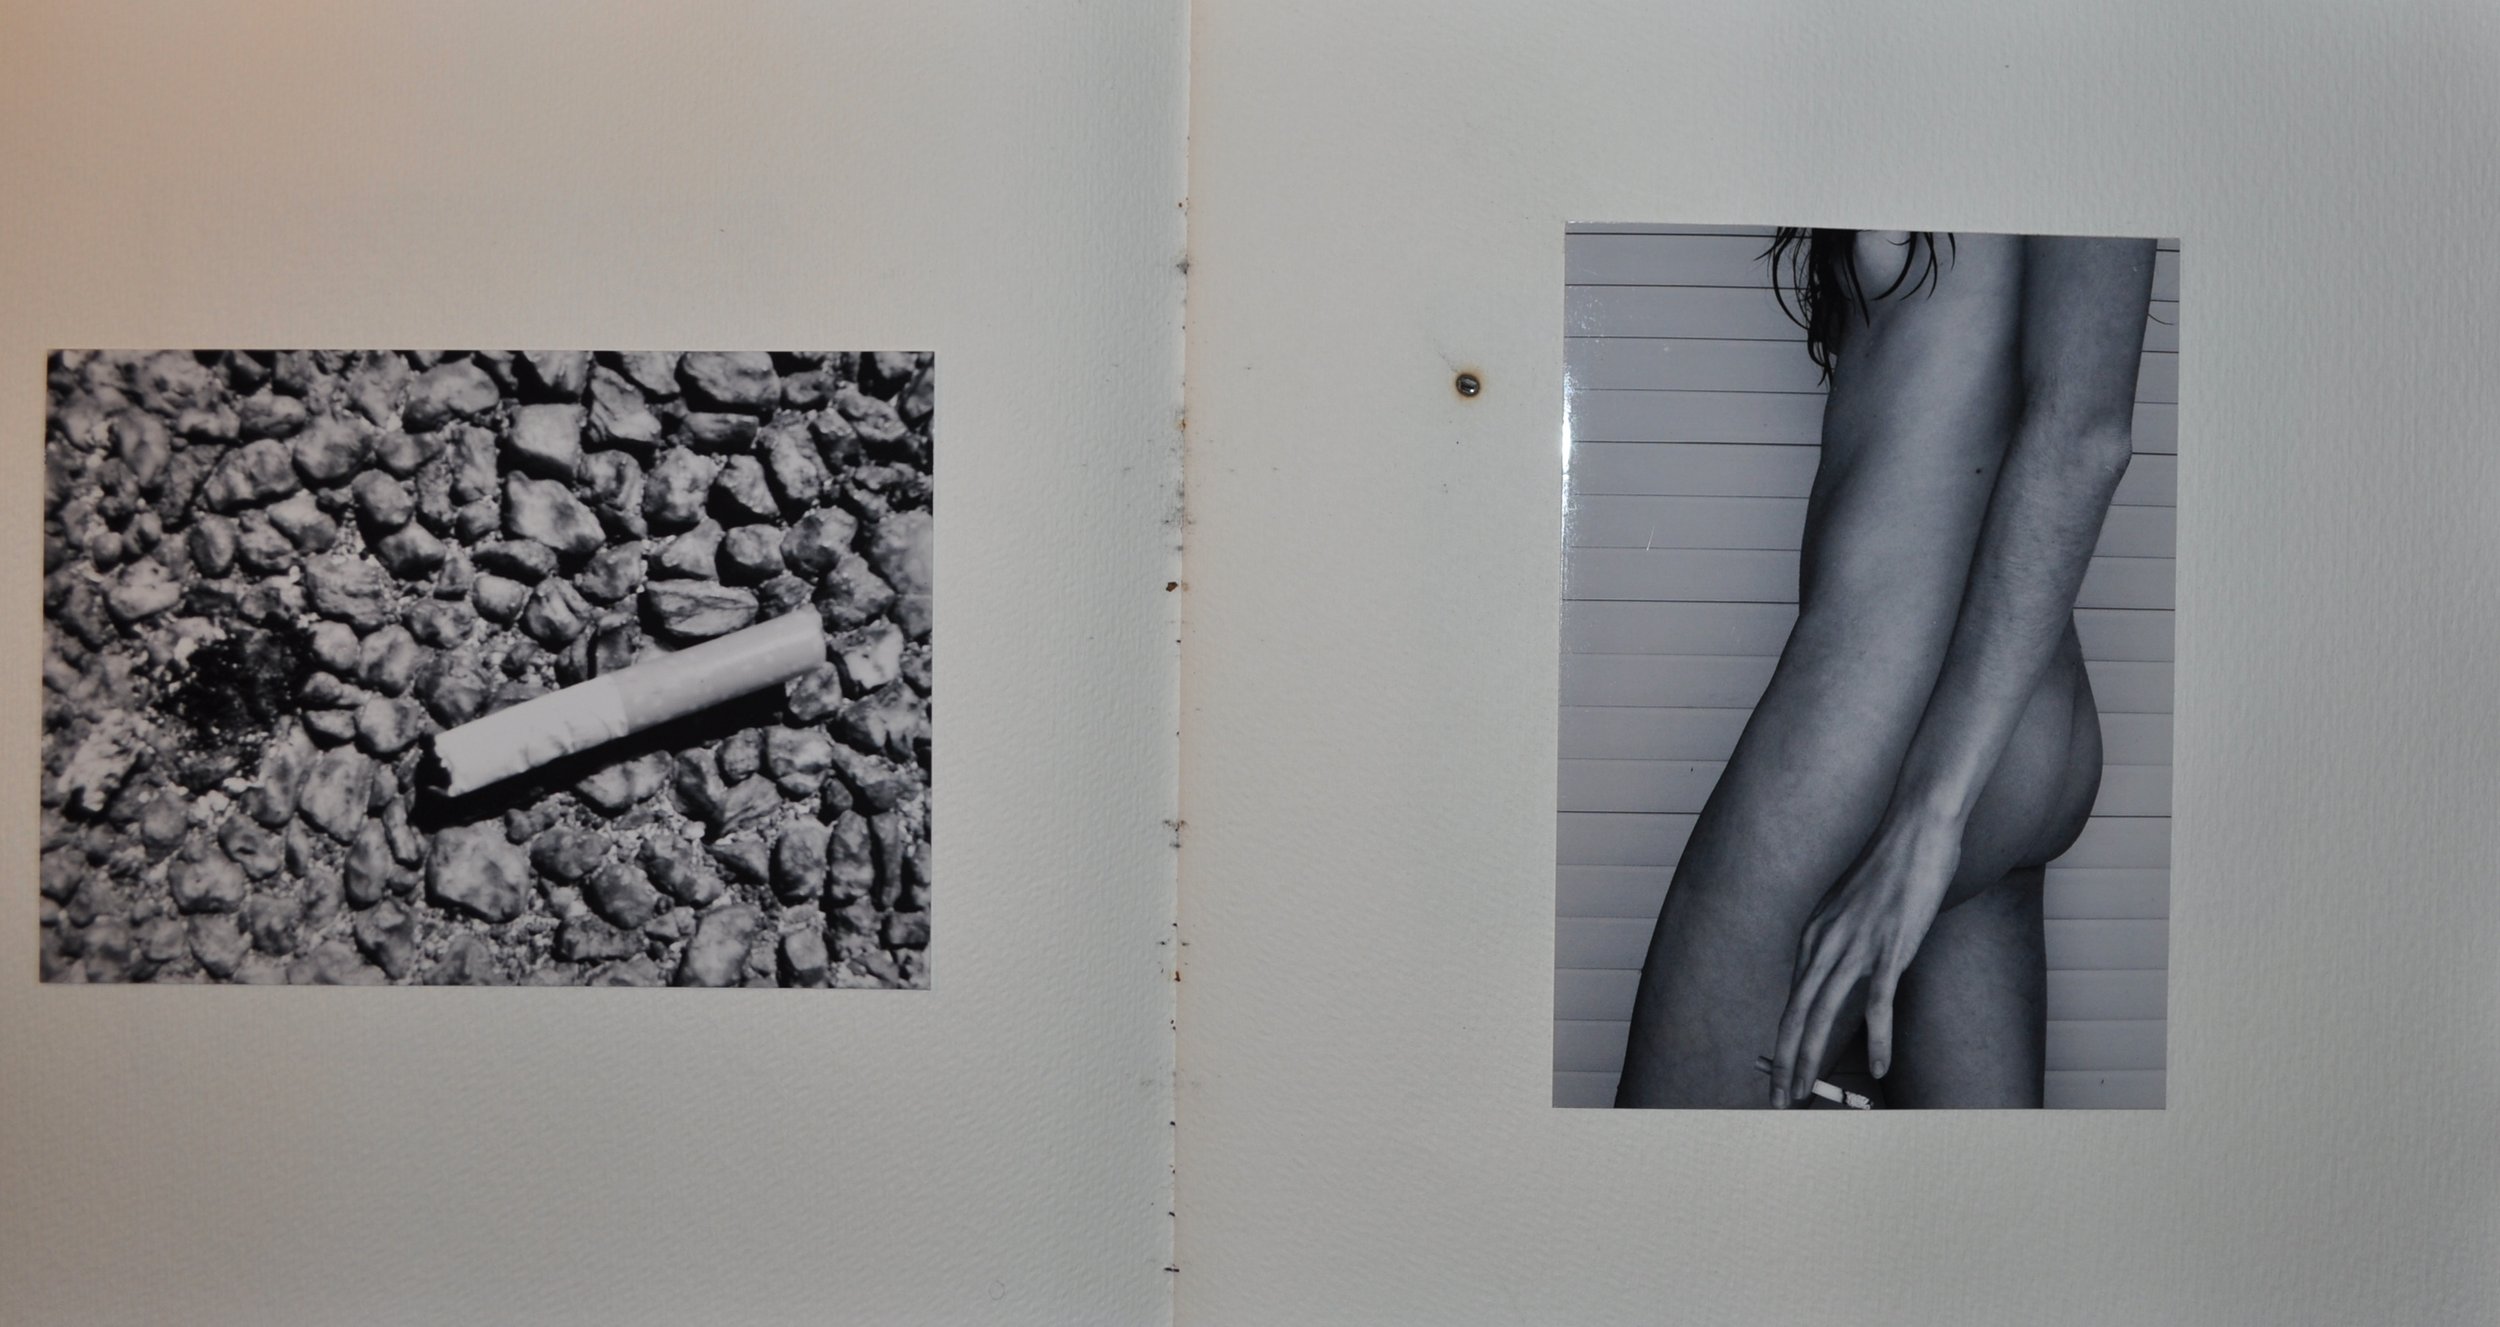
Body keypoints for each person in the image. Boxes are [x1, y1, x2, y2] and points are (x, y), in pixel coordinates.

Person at [1612, 229, 2157, 1109]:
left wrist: (1931, 817)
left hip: (1885, 725)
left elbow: (2086, 435)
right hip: (1997, 724)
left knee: (1656, 1171)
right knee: (1977, 1194)